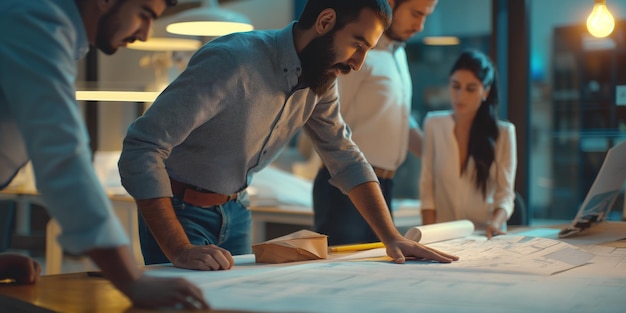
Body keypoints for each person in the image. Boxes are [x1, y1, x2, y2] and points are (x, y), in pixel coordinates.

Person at [118, 0, 459, 271]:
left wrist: (392, 237)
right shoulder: (231, 62)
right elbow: (141, 147)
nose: (358, 63)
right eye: (357, 44)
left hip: (237, 210)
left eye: (367, 50)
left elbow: (344, 154)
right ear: (325, 22)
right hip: (180, 211)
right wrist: (178, 248)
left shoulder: (321, 79)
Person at [0, 0, 209, 309]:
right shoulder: (35, 19)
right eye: (143, 14)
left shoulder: (53, 32)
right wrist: (131, 281)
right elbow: (62, 159)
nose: (145, 34)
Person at [313, 0, 438, 246]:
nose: (420, 26)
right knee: (344, 274)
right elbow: (326, 118)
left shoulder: (397, 53)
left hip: (385, 184)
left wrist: (438, 157)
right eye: (415, 14)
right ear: (391, 3)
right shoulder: (357, 51)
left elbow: (399, 117)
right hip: (348, 186)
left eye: (426, 17)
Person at [419, 50, 517, 238]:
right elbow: (427, 189)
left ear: (485, 91)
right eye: (455, 86)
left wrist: (495, 224)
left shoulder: (503, 133)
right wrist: (427, 237)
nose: (460, 95)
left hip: (484, 235)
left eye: (470, 88)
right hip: (443, 235)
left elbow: (505, 196)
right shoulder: (433, 124)